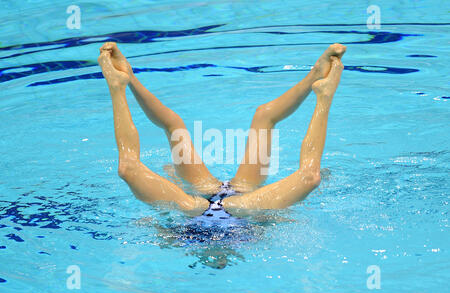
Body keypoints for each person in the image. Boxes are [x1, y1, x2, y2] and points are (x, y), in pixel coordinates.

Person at [97, 42, 346, 218]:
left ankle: (124, 81)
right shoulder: (234, 222)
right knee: (265, 118)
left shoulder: (186, 226)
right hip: (237, 201)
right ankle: (122, 82)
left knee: (166, 134)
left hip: (209, 202)